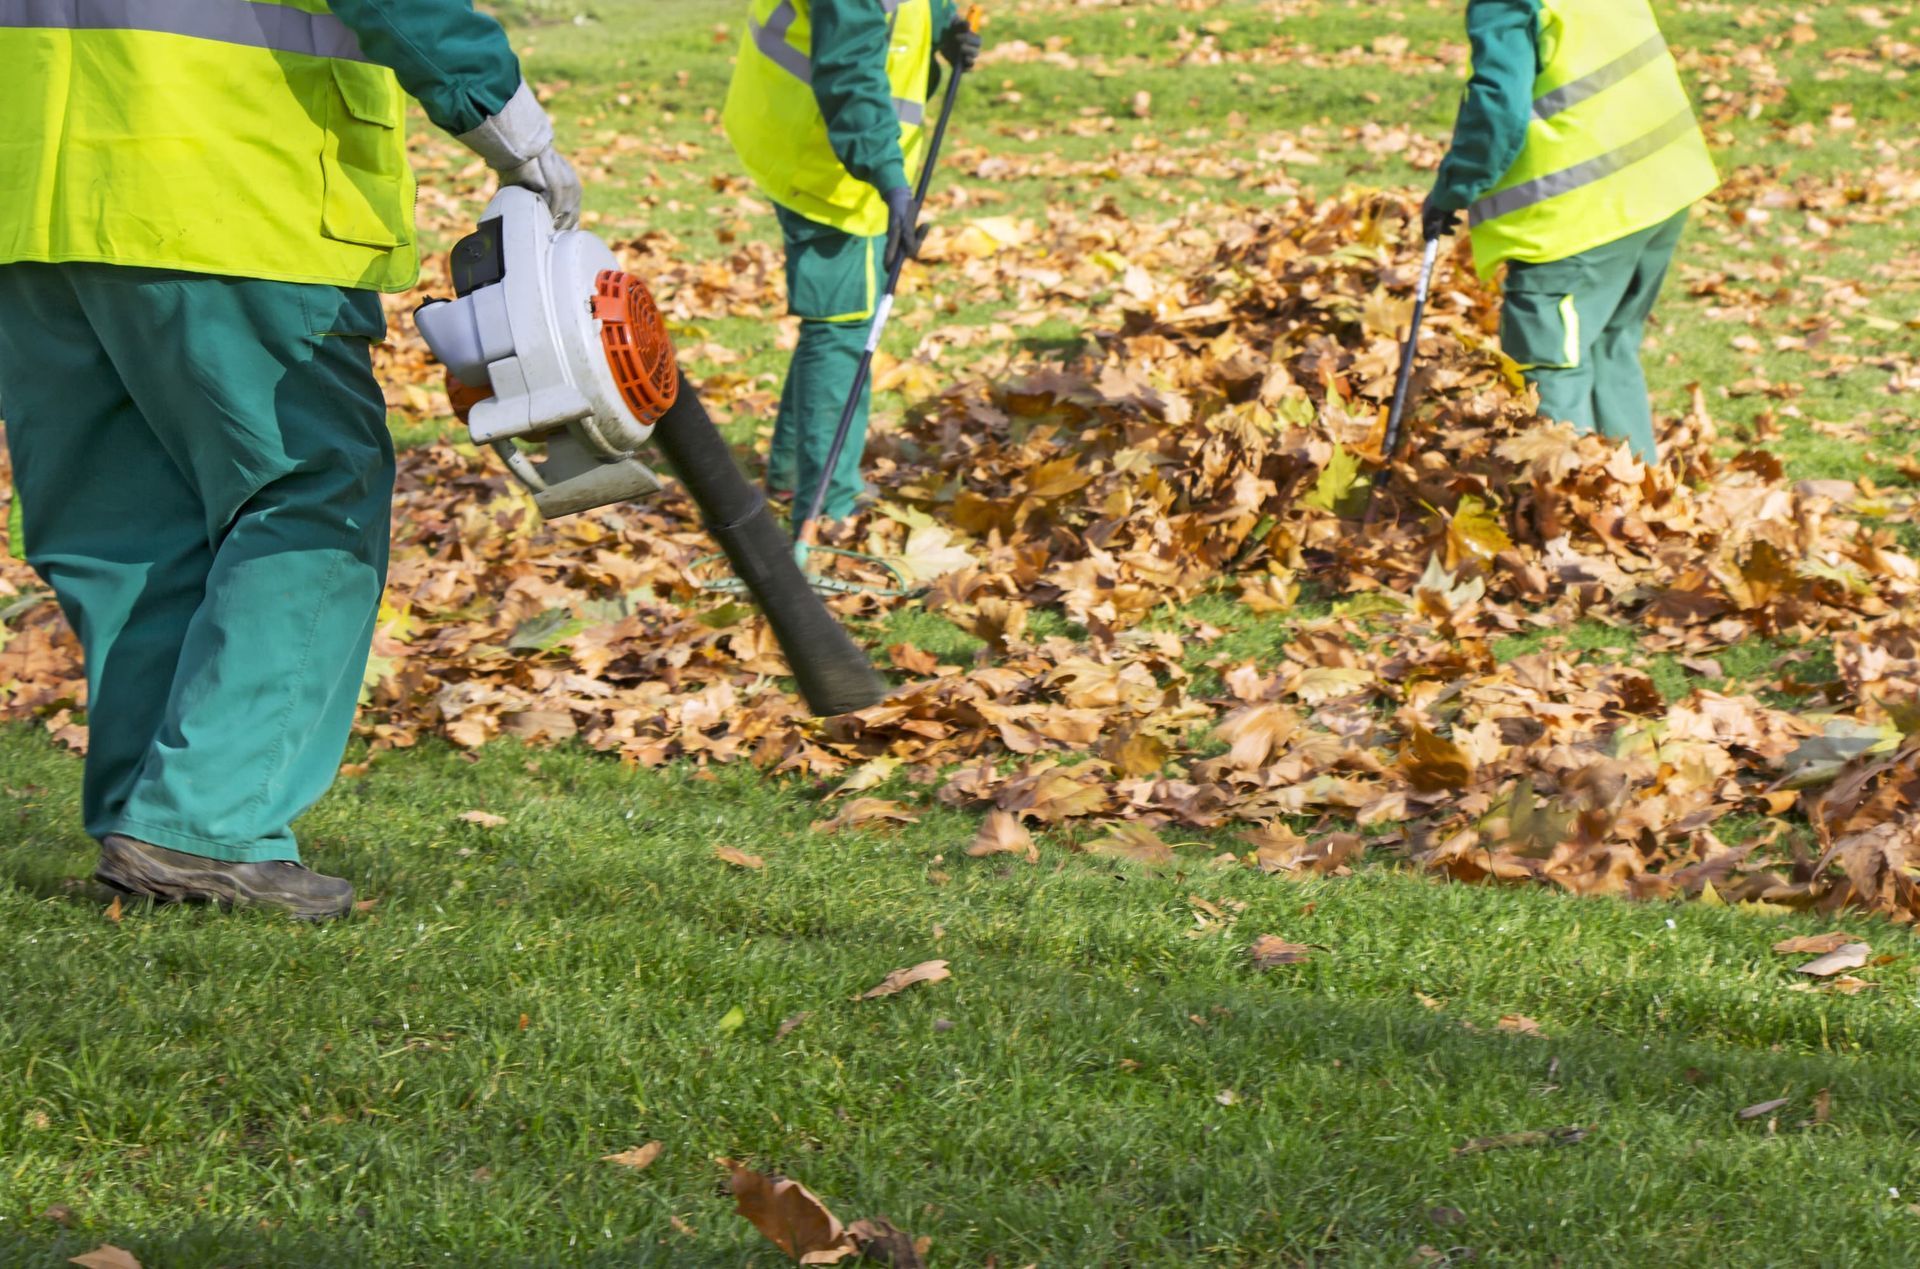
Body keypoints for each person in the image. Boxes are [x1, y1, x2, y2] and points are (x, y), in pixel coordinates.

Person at [0, 0, 581, 918]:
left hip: (30, 189)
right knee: (312, 492)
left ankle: (148, 811)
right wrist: (513, 129)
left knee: (126, 519)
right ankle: (202, 824)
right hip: (226, 179)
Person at [1422, 0, 1719, 462]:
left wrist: (1452, 189)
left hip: (1578, 211)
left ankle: (1569, 516)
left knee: (1550, 370)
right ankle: (1639, 506)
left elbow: (1498, 108)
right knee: (1609, 348)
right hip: (1660, 183)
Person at [723, 0, 982, 526]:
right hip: (822, 155)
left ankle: (793, 474)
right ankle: (827, 509)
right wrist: (891, 182)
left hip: (827, 142)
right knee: (843, 324)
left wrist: (943, 23)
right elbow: (850, 72)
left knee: (837, 314)